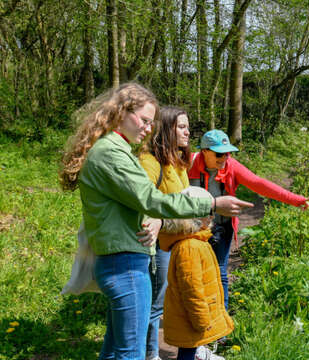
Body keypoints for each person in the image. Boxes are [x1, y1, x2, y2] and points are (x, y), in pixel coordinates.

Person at [59, 83, 252, 360]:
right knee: (130, 354)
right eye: (144, 120)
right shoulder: (112, 154)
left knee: (115, 350)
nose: (149, 128)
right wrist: (211, 203)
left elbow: (139, 201)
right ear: (121, 112)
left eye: (152, 122)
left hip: (121, 260)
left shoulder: (114, 149)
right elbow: (151, 199)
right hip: (125, 264)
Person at [188, 129, 309, 313]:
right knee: (194, 272)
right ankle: (196, 315)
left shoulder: (231, 166)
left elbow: (259, 184)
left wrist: (295, 199)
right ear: (204, 152)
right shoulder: (187, 163)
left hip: (222, 227)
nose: (224, 158)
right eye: (219, 154)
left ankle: (220, 320)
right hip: (194, 229)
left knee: (220, 272)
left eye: (227, 153)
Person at [138, 106, 193, 360]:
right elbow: (143, 202)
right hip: (160, 245)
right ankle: (150, 353)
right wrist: (159, 220)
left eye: (188, 127)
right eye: (181, 126)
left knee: (184, 300)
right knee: (156, 303)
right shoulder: (149, 162)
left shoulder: (180, 162)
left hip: (182, 242)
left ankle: (191, 350)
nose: (187, 132)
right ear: (167, 128)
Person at [160, 186, 233, 360]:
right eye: (208, 212)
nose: (212, 217)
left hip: (190, 318)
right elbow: (191, 288)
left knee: (189, 352)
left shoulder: (197, 240)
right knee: (187, 353)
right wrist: (201, 318)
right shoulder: (190, 247)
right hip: (190, 318)